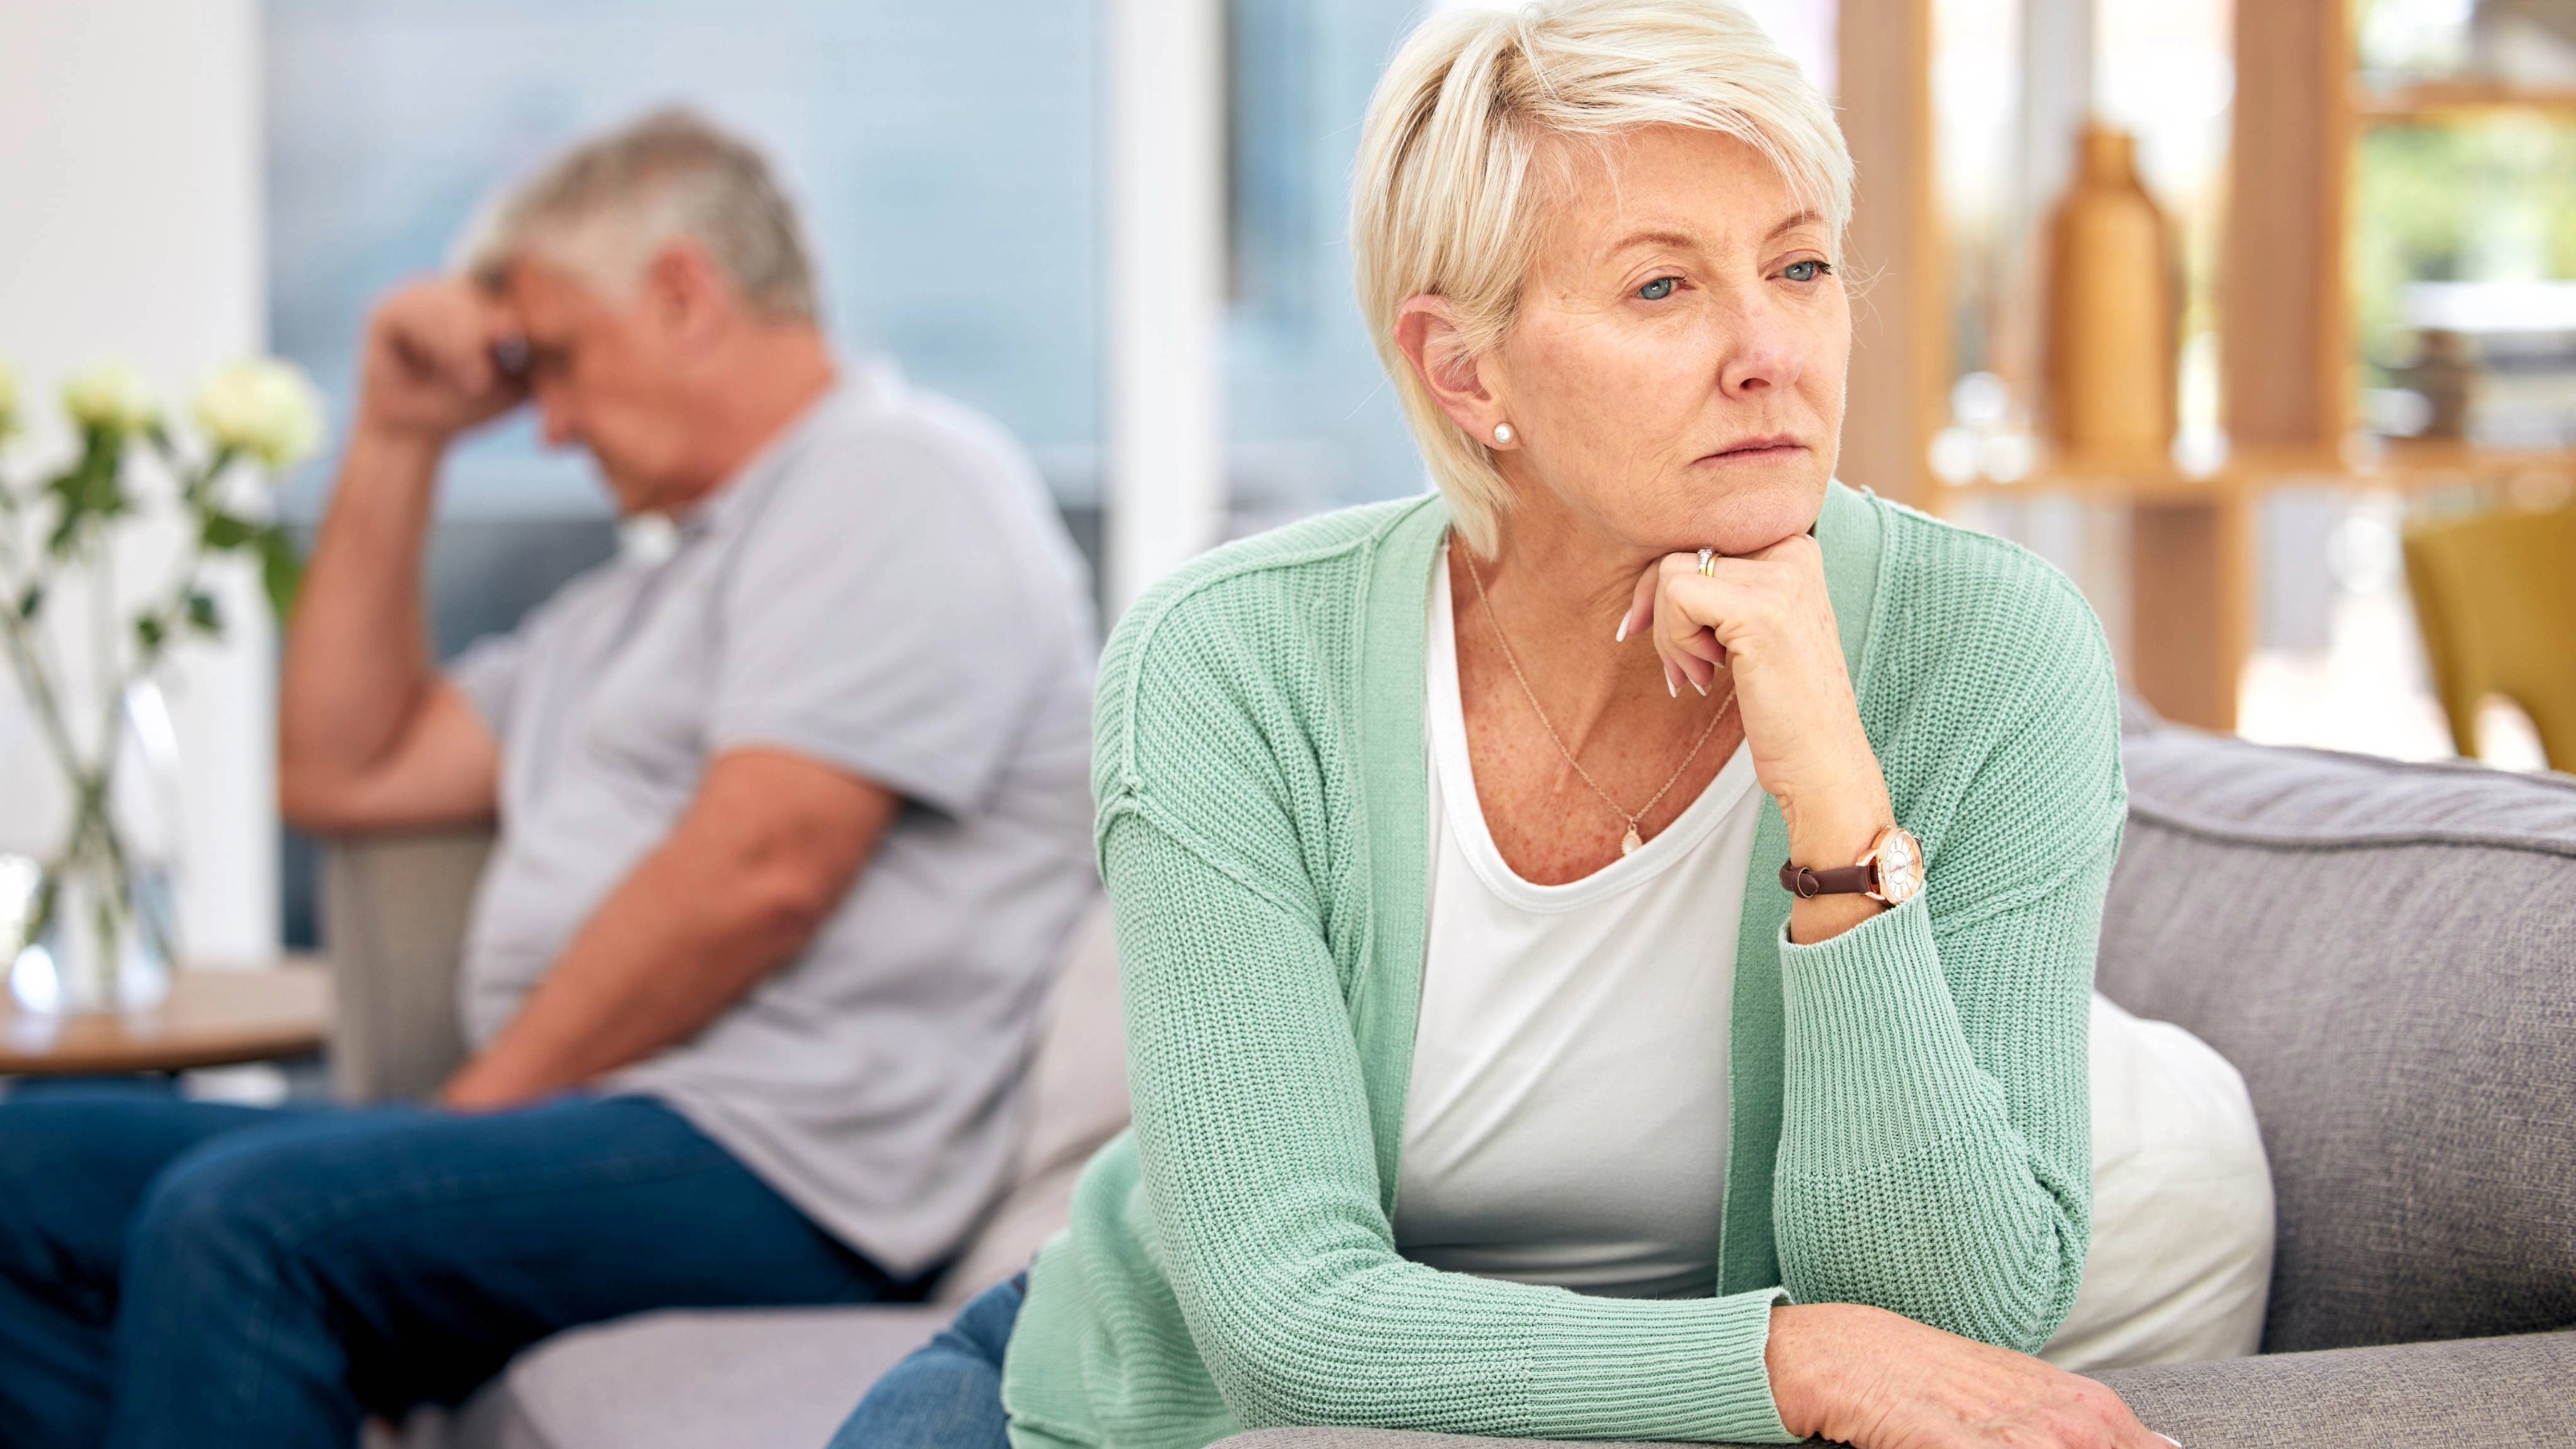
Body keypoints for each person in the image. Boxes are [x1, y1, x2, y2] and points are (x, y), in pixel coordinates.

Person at [832, 3, 2256, 1447]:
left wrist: (1835, 803)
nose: (1771, 349)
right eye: (1662, 288)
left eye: (1799, 265)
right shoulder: (1234, 663)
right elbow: (1280, 1328)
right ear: (1465, 371)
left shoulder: (1994, 650)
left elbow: (1946, 1326)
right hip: (1131, 1418)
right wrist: (1783, 1365)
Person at [0, 109, 1099, 1449]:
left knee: (245, 1224)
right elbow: (346, 768)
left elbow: (762, 874)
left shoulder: (900, 479)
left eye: (559, 361)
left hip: (788, 1166)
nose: (553, 426)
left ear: (683, 293)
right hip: (600, 1124)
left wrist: (466, 1115)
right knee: (23, 1171)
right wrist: (398, 433)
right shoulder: (641, 599)